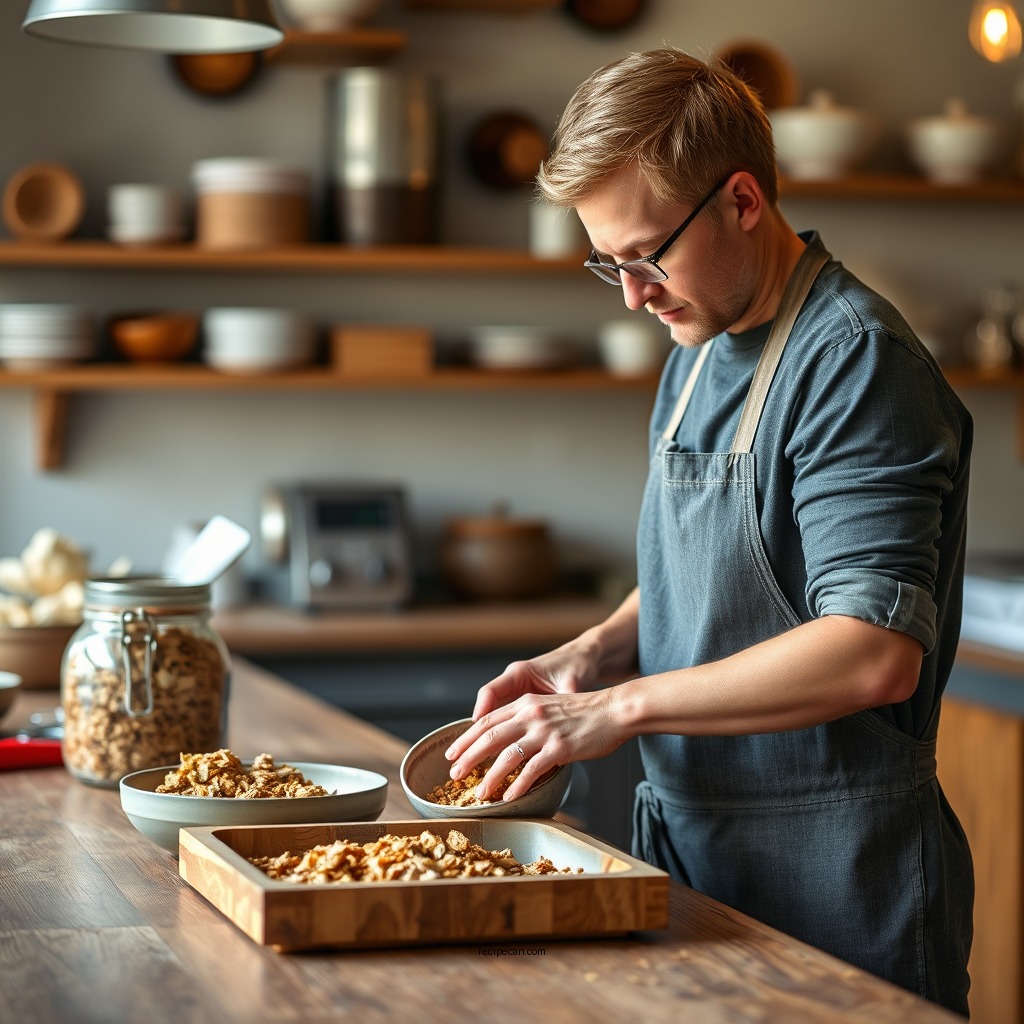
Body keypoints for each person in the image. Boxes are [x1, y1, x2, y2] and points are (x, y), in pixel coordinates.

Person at [443, 47, 974, 1015]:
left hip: (840, 877)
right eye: (609, 262)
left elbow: (873, 651)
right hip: (696, 859)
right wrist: (595, 654)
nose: (632, 293)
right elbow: (716, 567)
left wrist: (615, 711)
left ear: (741, 200)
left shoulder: (856, 363)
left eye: (648, 254)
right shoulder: (697, 349)